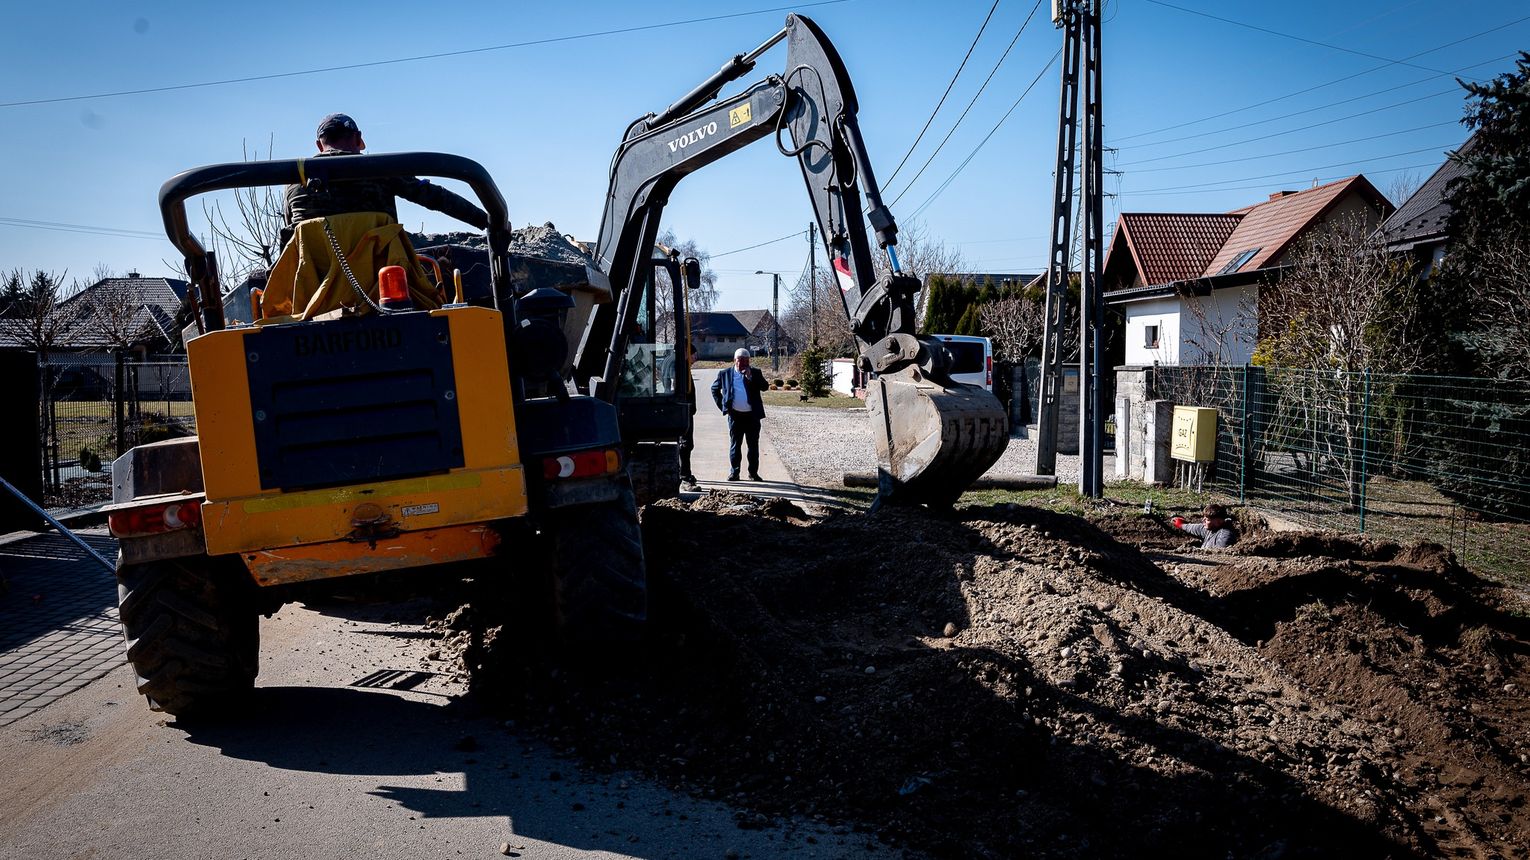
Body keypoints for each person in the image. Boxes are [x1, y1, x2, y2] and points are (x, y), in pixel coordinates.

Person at [281, 113, 489, 242]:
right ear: (358, 138)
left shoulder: (294, 182)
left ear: (319, 145)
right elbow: (436, 197)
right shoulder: (378, 169)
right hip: (381, 282)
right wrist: (487, 220)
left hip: (313, 287)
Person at [710, 347, 768, 481]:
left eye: (746, 361)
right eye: (740, 361)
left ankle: (753, 473)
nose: (743, 364)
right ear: (734, 360)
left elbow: (764, 387)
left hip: (752, 416)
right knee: (735, 445)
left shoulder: (755, 372)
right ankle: (734, 472)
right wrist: (724, 407)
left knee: (753, 445)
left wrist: (751, 377)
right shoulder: (725, 374)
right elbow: (714, 389)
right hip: (735, 416)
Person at [679, 342, 699, 490]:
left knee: (686, 444)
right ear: (686, 351)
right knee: (685, 444)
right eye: (694, 354)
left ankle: (685, 473)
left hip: (684, 411)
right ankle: (684, 476)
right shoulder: (681, 366)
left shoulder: (679, 364)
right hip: (682, 412)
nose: (695, 358)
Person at [1172, 503, 1237, 548]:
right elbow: (1195, 528)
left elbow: (1219, 554)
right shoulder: (1211, 528)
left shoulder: (1225, 536)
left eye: (1207, 520)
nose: (1203, 521)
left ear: (1219, 521)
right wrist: (1181, 525)